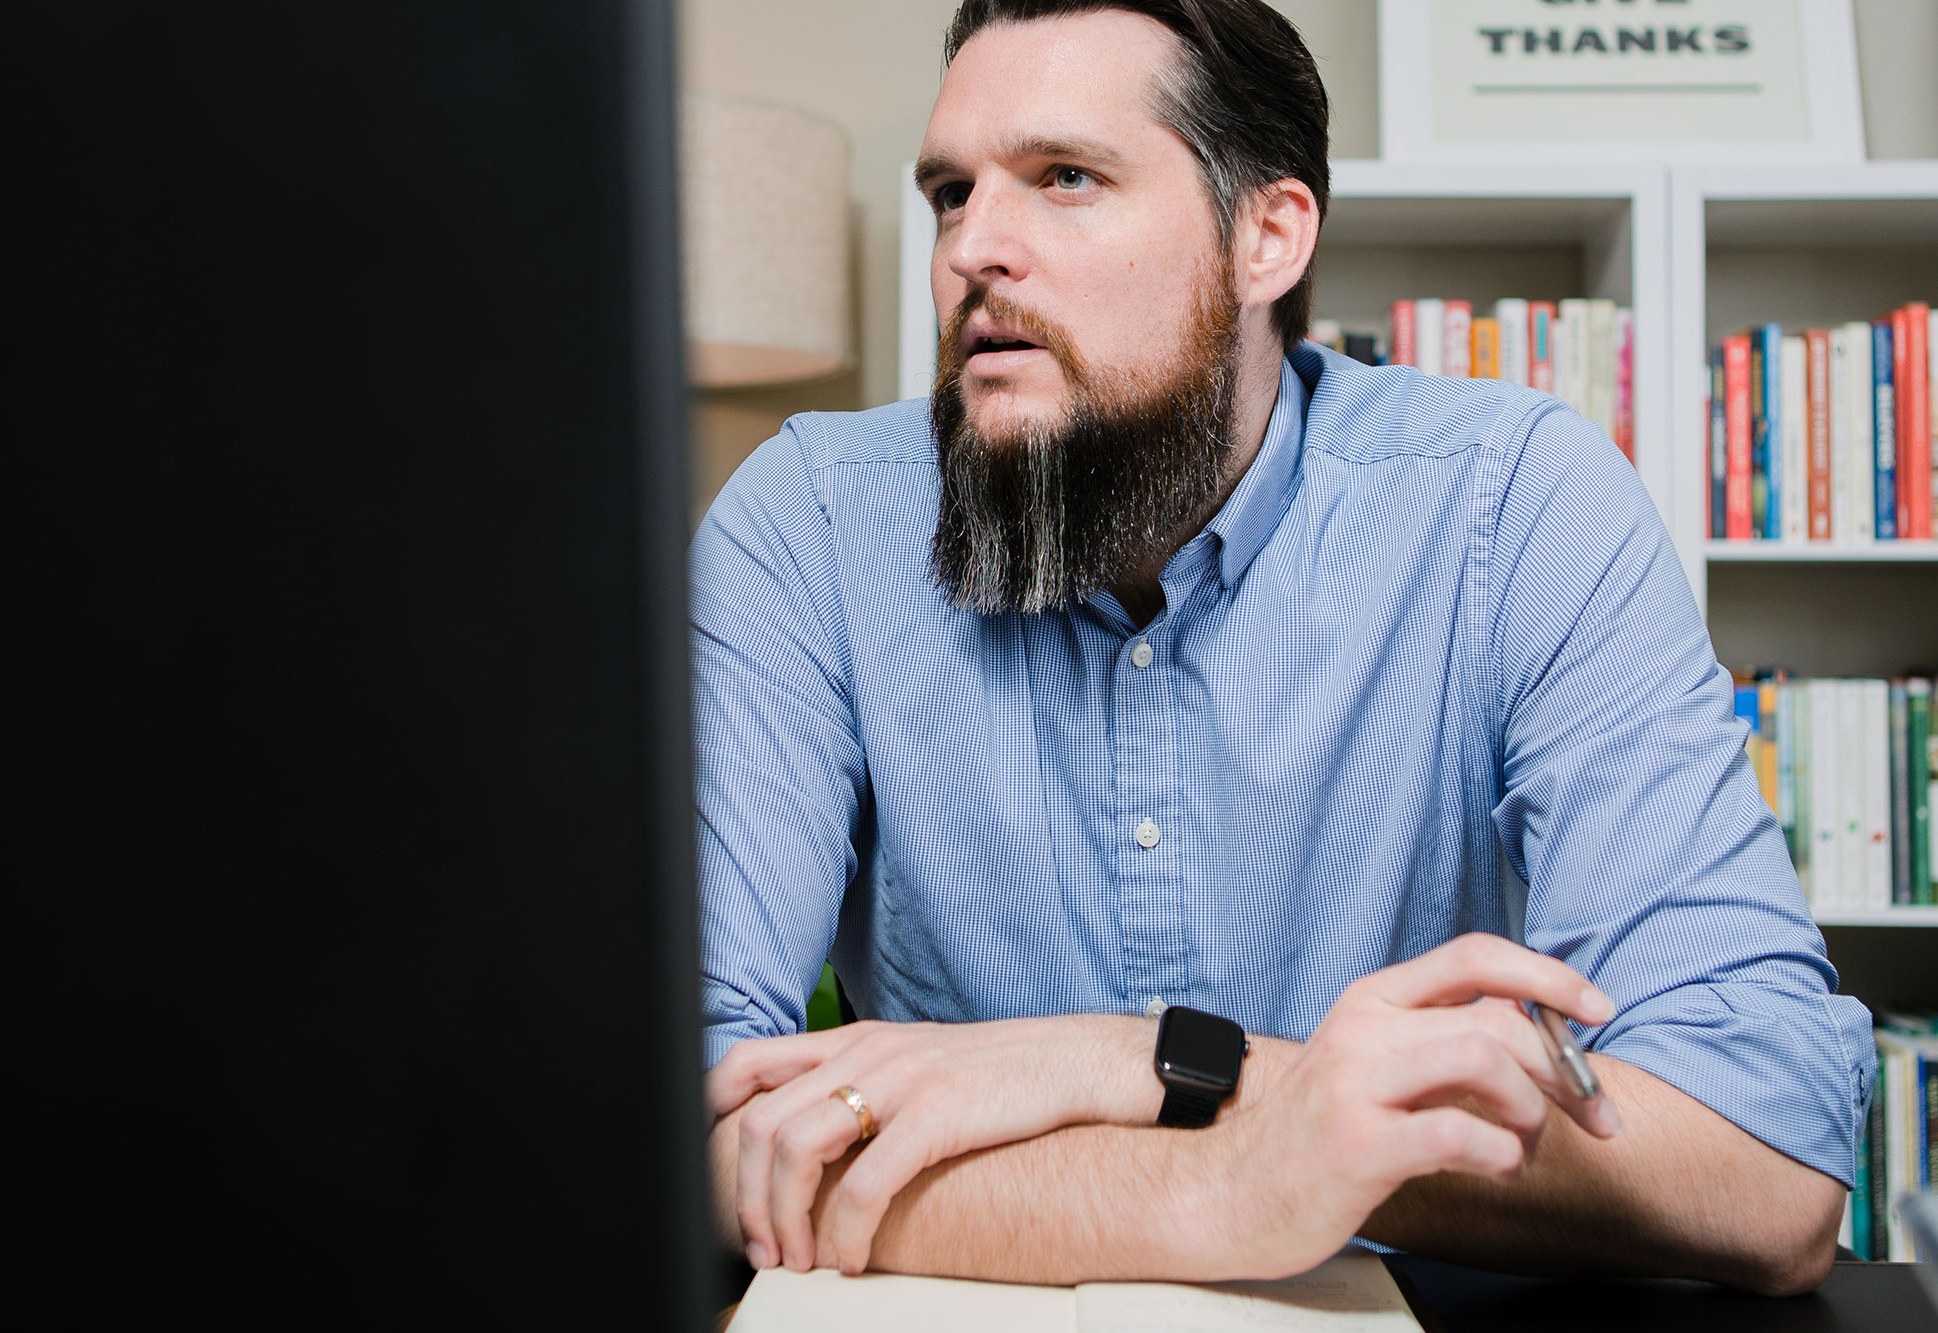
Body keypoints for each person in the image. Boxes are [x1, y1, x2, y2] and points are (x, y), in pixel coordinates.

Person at [692, 0, 1870, 1298]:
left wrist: (1135, 1064)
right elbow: (684, 1113)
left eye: (1065, 179)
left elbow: (1767, 1166)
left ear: (1268, 235)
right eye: (951, 192)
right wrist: (1239, 1178)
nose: (976, 248)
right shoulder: (803, 523)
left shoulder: (1513, 503)